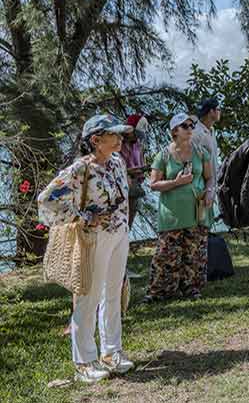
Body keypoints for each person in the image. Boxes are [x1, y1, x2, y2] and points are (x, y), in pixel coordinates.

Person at [38, 115, 136, 383]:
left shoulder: (117, 162)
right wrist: (82, 217)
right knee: (88, 297)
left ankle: (111, 352)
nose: (119, 138)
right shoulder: (81, 169)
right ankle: (84, 361)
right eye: (113, 135)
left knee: (113, 293)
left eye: (119, 134)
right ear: (96, 140)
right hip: (94, 239)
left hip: (118, 235)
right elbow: (46, 200)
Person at [145, 113, 214, 301]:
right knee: (166, 255)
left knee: (194, 252)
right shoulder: (164, 155)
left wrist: (209, 193)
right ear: (175, 131)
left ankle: (191, 289)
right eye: (186, 126)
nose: (191, 129)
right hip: (171, 215)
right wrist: (176, 182)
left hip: (196, 212)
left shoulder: (201, 152)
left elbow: (210, 178)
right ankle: (158, 292)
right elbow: (153, 184)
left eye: (192, 125)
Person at [192, 97, 222, 211]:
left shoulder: (212, 131)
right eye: (218, 109)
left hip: (211, 188)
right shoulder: (196, 134)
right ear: (211, 111)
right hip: (200, 189)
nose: (220, 112)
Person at [121, 114, 149, 234]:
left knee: (128, 226)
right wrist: (131, 171)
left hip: (134, 187)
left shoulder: (137, 144)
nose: (137, 137)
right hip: (121, 187)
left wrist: (142, 169)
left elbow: (140, 162)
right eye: (135, 134)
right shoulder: (118, 144)